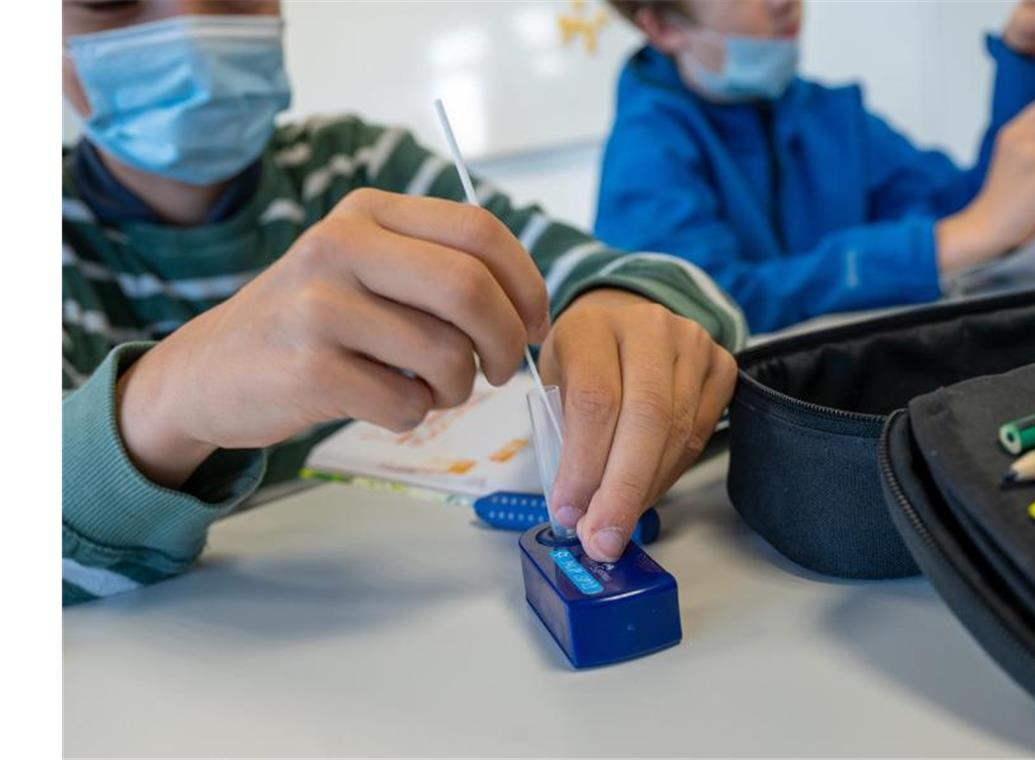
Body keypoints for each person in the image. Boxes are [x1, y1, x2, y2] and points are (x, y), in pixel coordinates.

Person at [62, 0, 747, 605]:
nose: (191, 30)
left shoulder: (363, 169)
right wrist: (168, 398)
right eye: (108, 0)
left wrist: (629, 306)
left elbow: (661, 283)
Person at [595, 0, 1035, 332]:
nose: (785, 2)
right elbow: (701, 308)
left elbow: (981, 210)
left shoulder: (827, 114)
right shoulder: (647, 154)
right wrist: (939, 246)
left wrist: (1025, 62)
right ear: (662, 27)